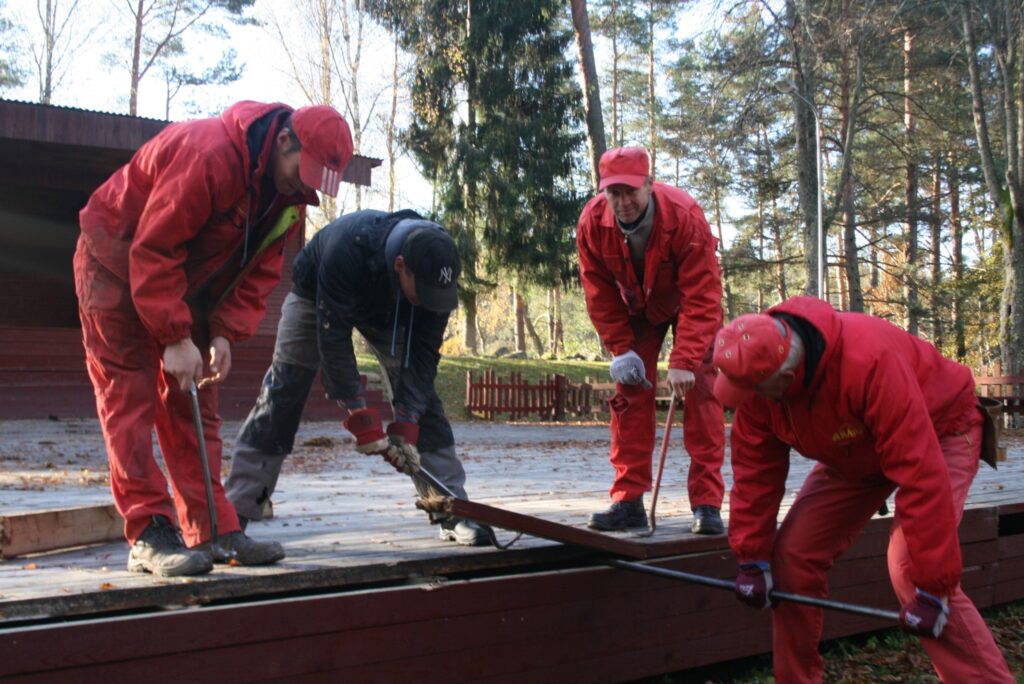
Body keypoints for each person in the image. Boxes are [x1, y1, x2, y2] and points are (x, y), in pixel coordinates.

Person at [74, 100, 354, 577]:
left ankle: (215, 529)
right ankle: (149, 533)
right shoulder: (210, 155)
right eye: (301, 172)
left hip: (185, 284)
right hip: (115, 267)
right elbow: (154, 245)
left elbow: (260, 273)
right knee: (130, 399)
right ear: (284, 139)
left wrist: (223, 331)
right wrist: (172, 335)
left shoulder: (287, 198)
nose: (302, 187)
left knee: (196, 404)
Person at [716, 296, 1013, 683]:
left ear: (785, 380)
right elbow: (755, 473)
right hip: (856, 447)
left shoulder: (868, 361)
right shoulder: (758, 390)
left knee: (910, 566)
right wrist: (752, 558)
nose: (741, 400)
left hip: (941, 429)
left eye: (749, 390)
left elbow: (920, 471)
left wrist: (934, 588)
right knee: (791, 557)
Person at [225, 209, 488, 546]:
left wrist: (407, 422)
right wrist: (359, 415)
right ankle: (238, 512)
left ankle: (452, 510)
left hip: (393, 310)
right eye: (422, 291)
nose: (431, 302)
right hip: (318, 296)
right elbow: (332, 340)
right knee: (283, 390)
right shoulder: (347, 248)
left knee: (426, 407)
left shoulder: (435, 280)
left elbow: (422, 363)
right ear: (400, 266)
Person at [576, 146, 726, 534]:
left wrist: (685, 359)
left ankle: (707, 504)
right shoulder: (592, 223)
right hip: (637, 308)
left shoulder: (685, 216)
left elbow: (703, 294)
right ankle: (628, 501)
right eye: (614, 193)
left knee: (703, 392)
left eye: (631, 192)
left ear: (648, 184)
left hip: (688, 305)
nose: (623, 203)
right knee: (629, 394)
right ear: (603, 192)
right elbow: (598, 291)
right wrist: (620, 348)